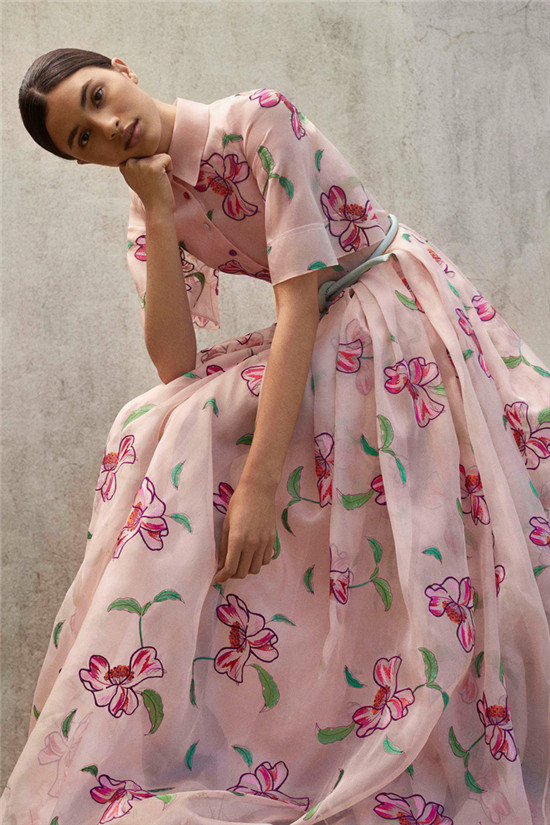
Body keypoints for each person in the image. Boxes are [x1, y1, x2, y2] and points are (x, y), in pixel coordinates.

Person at [3, 46, 549, 825]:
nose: (107, 125)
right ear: (81, 161)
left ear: (122, 69)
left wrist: (258, 489)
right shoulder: (152, 199)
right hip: (326, 329)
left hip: (388, 306)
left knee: (204, 428)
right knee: (154, 419)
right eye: (81, 138)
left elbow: (297, 303)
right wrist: (155, 210)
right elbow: (174, 360)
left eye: (97, 96)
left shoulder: (258, 120)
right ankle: (207, 713)